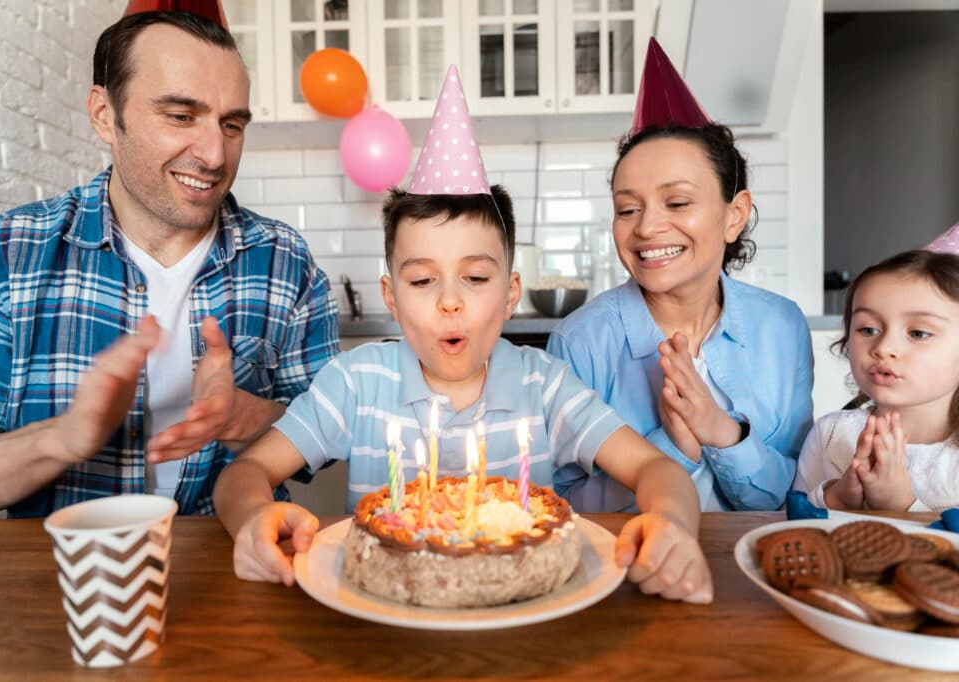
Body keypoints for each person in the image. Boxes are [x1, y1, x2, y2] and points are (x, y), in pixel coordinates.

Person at [214, 66, 712, 604]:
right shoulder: (357, 384)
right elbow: (244, 474)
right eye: (423, 280)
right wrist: (254, 516)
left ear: (510, 292)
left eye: (475, 278)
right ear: (390, 297)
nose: (450, 301)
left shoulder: (543, 385)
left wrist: (672, 524)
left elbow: (659, 471)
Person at [0, 7, 339, 517]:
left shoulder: (285, 261)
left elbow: (330, 432)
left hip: (234, 567)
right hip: (62, 580)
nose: (215, 155)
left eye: (232, 124)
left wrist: (244, 417)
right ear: (105, 114)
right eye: (180, 116)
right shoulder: (0, 259)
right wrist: (61, 438)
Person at [548, 39, 813, 512]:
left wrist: (722, 433)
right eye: (627, 208)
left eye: (677, 202)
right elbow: (560, 504)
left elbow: (794, 488)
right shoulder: (580, 342)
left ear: (735, 215)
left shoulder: (783, 328)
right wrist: (671, 447)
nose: (647, 227)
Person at [794, 250, 959, 511]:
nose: (884, 347)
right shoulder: (830, 434)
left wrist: (903, 506)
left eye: (918, 333)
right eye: (868, 329)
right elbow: (790, 532)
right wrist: (836, 498)